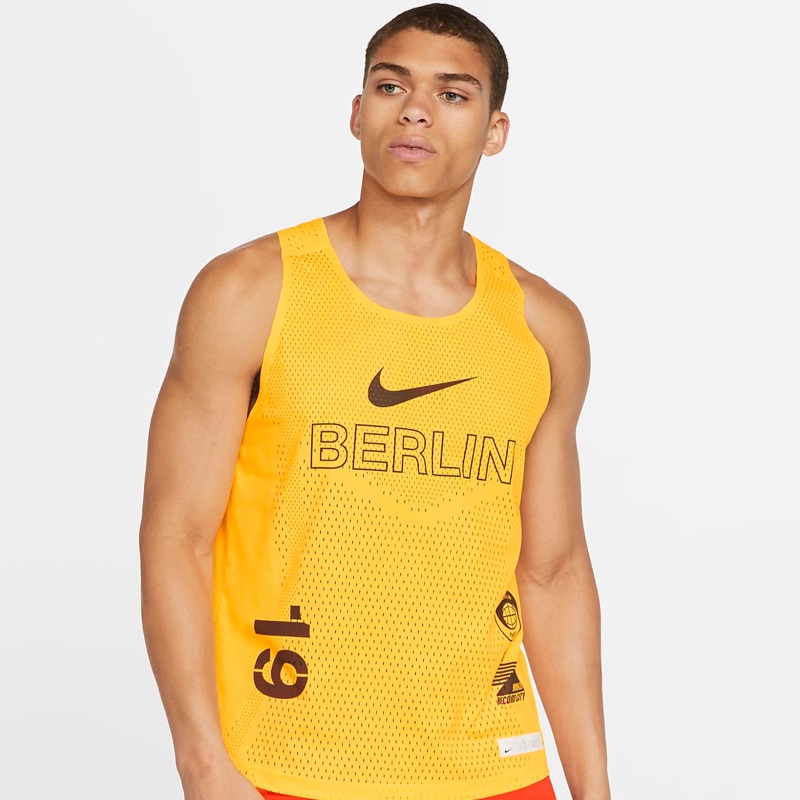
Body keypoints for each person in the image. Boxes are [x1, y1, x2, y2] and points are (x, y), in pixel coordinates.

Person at [139, 4, 610, 799]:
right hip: (285, 763)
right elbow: (177, 536)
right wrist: (203, 762)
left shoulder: (542, 326)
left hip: (492, 765)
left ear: (495, 131)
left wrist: (595, 789)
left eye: (453, 94)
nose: (416, 110)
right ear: (358, 114)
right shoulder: (250, 292)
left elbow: (554, 572)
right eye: (392, 86)